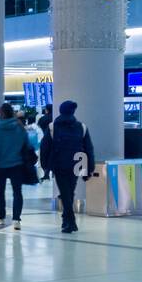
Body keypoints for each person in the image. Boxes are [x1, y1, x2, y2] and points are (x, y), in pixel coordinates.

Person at [39, 100, 95, 234]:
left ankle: (69, 220)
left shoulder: (53, 127)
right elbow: (89, 149)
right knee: (69, 191)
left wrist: (45, 165)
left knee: (65, 192)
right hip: (76, 164)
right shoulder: (81, 127)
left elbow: (44, 147)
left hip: (58, 164)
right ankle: (68, 220)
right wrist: (90, 168)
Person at [0, 104, 29, 229]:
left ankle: (1, 217)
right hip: (17, 164)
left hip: (0, 166)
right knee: (17, 192)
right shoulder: (19, 127)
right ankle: (16, 219)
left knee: (0, 192)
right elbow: (26, 144)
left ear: (0, 113)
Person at [37, 104, 54, 180]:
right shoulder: (54, 118)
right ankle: (53, 173)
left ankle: (46, 173)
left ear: (46, 110)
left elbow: (38, 128)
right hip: (54, 140)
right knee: (52, 156)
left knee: (44, 157)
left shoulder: (42, 119)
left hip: (45, 140)